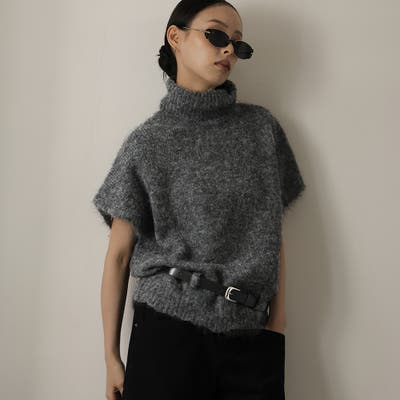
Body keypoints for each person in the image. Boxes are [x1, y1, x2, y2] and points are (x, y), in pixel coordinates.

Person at [92, 1, 306, 399]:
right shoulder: (146, 143)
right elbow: (119, 256)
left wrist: (277, 324)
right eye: (216, 34)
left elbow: (271, 232)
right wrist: (110, 357)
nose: (229, 50)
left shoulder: (261, 129)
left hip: (251, 336)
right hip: (166, 333)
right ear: (175, 37)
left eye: (238, 44)